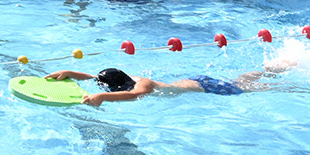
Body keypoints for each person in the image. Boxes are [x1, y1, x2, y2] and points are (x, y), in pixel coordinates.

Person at [42, 61, 297, 106]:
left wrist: (103, 98)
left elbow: (134, 96)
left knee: (246, 90)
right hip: (197, 80)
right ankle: (268, 69)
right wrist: (69, 73)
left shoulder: (145, 85)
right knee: (240, 81)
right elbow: (92, 77)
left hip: (206, 87)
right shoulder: (131, 78)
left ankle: (292, 86)